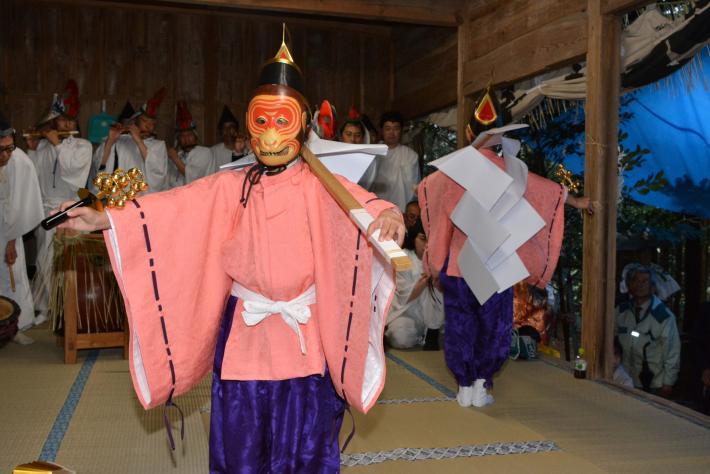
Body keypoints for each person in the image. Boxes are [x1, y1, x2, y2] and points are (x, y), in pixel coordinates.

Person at [54, 34, 404, 473]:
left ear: (304, 124)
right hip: (245, 337)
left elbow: (366, 205)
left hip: (305, 341)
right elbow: (173, 209)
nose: (272, 134)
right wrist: (107, 217)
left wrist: (390, 216)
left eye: (284, 120)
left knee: (306, 452)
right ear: (248, 124)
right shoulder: (231, 186)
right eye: (262, 121)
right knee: (240, 451)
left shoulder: (322, 185)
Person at [419, 87, 592, 408]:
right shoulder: (515, 173)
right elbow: (547, 194)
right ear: (500, 137)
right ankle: (483, 382)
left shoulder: (450, 172)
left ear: (470, 132)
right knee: (492, 325)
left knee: (460, 324)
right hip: (495, 263)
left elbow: (428, 198)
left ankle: (464, 385)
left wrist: (434, 261)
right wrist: (578, 201)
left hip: (460, 264)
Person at [28, 80, 93, 323]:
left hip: (69, 209)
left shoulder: (83, 146)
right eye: (63, 120)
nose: (67, 124)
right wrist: (34, 149)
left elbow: (75, 173)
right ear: (54, 122)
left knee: (64, 262)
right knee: (42, 261)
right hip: (44, 209)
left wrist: (56, 144)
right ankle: (45, 308)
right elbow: (32, 176)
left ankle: (67, 310)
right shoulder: (44, 147)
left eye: (71, 121)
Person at [0, 112, 44, 344]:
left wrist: (10, 240)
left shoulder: (20, 162)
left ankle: (16, 326)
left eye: (10, 148)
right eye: (1, 150)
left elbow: (23, 204)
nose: (7, 154)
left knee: (12, 273)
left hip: (11, 226)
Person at [615, 265, 680, 396]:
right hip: (625, 379)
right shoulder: (621, 311)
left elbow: (672, 352)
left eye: (644, 281)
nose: (640, 285)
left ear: (653, 287)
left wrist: (668, 382)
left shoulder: (664, 316)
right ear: (629, 285)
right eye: (635, 280)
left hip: (654, 384)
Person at [92, 88, 169, 194]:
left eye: (152, 123)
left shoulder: (158, 145)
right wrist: (110, 141)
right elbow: (100, 167)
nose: (148, 126)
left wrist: (138, 140)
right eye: (144, 121)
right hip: (119, 198)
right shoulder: (121, 140)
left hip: (144, 199)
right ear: (135, 121)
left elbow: (157, 173)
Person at [385, 218, 444, 350]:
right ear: (414, 237)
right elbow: (403, 296)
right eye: (423, 239)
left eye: (431, 240)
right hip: (408, 313)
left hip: (439, 316)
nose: (427, 245)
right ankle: (424, 336)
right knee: (399, 336)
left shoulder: (441, 258)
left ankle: (432, 331)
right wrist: (424, 281)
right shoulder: (403, 258)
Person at [369, 111, 420, 211]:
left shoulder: (411, 155)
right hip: (376, 207)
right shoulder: (373, 153)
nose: (392, 133)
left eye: (396, 128)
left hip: (402, 208)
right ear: (382, 131)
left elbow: (415, 187)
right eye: (388, 128)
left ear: (401, 130)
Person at [166, 101, 215, 188]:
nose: (186, 139)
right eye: (182, 136)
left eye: (189, 135)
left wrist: (175, 158)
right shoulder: (179, 154)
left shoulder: (204, 152)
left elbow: (192, 176)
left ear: (195, 136)